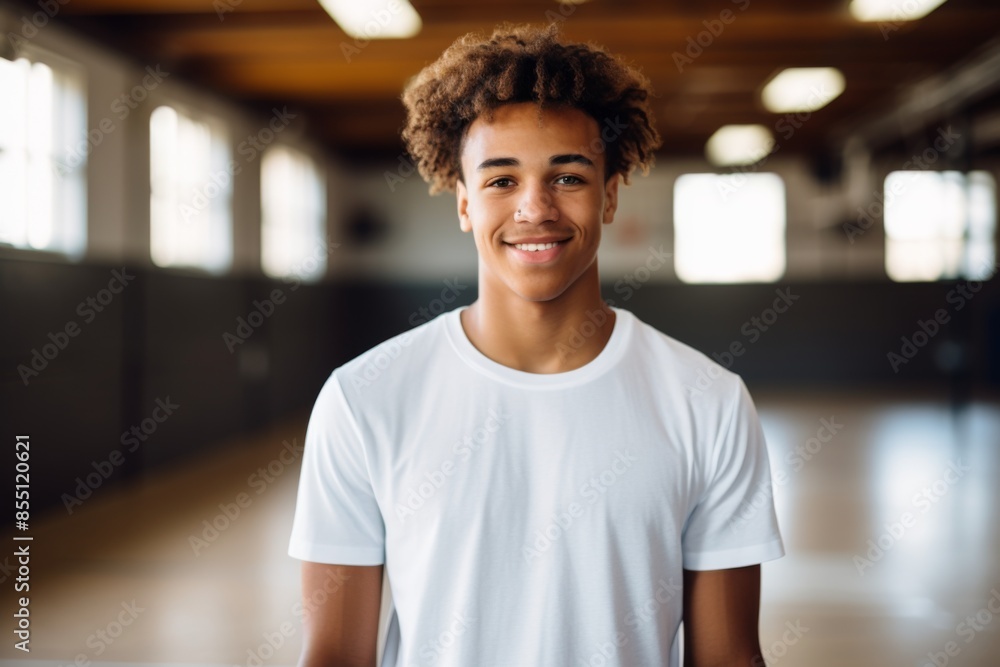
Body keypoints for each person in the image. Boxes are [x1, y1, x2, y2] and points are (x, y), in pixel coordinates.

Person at [288, 23, 784, 667]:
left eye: (568, 177)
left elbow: (729, 658)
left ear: (609, 195)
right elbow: (333, 656)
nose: (535, 208)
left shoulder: (708, 402)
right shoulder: (363, 398)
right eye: (501, 181)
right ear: (463, 202)